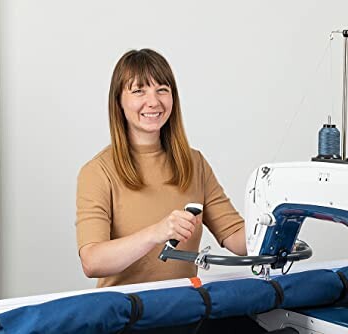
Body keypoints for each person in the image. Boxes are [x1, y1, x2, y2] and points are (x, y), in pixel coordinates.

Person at [76, 49, 247, 288]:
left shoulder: (194, 163)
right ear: (119, 102)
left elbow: (235, 237)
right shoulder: (97, 172)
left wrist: (281, 226)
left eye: (162, 90)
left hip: (186, 312)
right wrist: (156, 233)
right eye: (139, 91)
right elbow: (92, 261)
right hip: (128, 316)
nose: (153, 102)